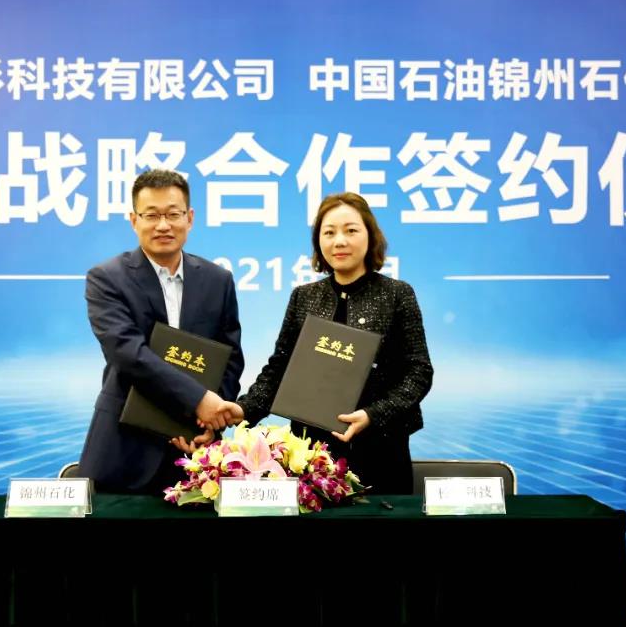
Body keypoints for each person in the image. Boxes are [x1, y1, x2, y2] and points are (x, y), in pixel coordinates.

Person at [228, 192, 433, 494]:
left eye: (351, 230)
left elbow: (419, 372)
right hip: (311, 452)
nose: (339, 241)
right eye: (329, 232)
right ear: (318, 241)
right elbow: (280, 368)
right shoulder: (303, 297)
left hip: (381, 448)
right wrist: (244, 409)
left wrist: (373, 415)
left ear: (370, 236)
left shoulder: (397, 294)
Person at [78, 169, 244, 494]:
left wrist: (210, 423)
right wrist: (199, 402)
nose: (163, 225)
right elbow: (129, 354)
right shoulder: (106, 278)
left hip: (197, 453)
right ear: (134, 220)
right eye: (151, 215)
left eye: (173, 214)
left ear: (190, 218)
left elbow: (230, 358)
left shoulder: (218, 280)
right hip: (124, 450)